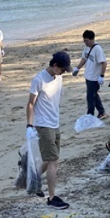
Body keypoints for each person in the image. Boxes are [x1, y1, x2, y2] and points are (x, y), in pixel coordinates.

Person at [26, 52, 73, 210]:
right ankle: (52, 198)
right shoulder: (39, 80)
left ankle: (32, 178)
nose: (63, 73)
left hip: (55, 123)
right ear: (54, 66)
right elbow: (31, 104)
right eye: (62, 70)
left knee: (51, 158)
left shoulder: (59, 78)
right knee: (54, 160)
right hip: (43, 124)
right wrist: (30, 126)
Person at [71, 30, 107, 119]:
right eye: (84, 40)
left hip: (94, 78)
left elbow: (104, 63)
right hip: (88, 76)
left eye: (86, 40)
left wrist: (101, 76)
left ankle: (90, 114)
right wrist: (77, 68)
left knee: (90, 97)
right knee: (94, 95)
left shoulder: (98, 49)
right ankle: (102, 112)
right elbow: (84, 58)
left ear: (91, 39)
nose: (85, 42)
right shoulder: (87, 48)